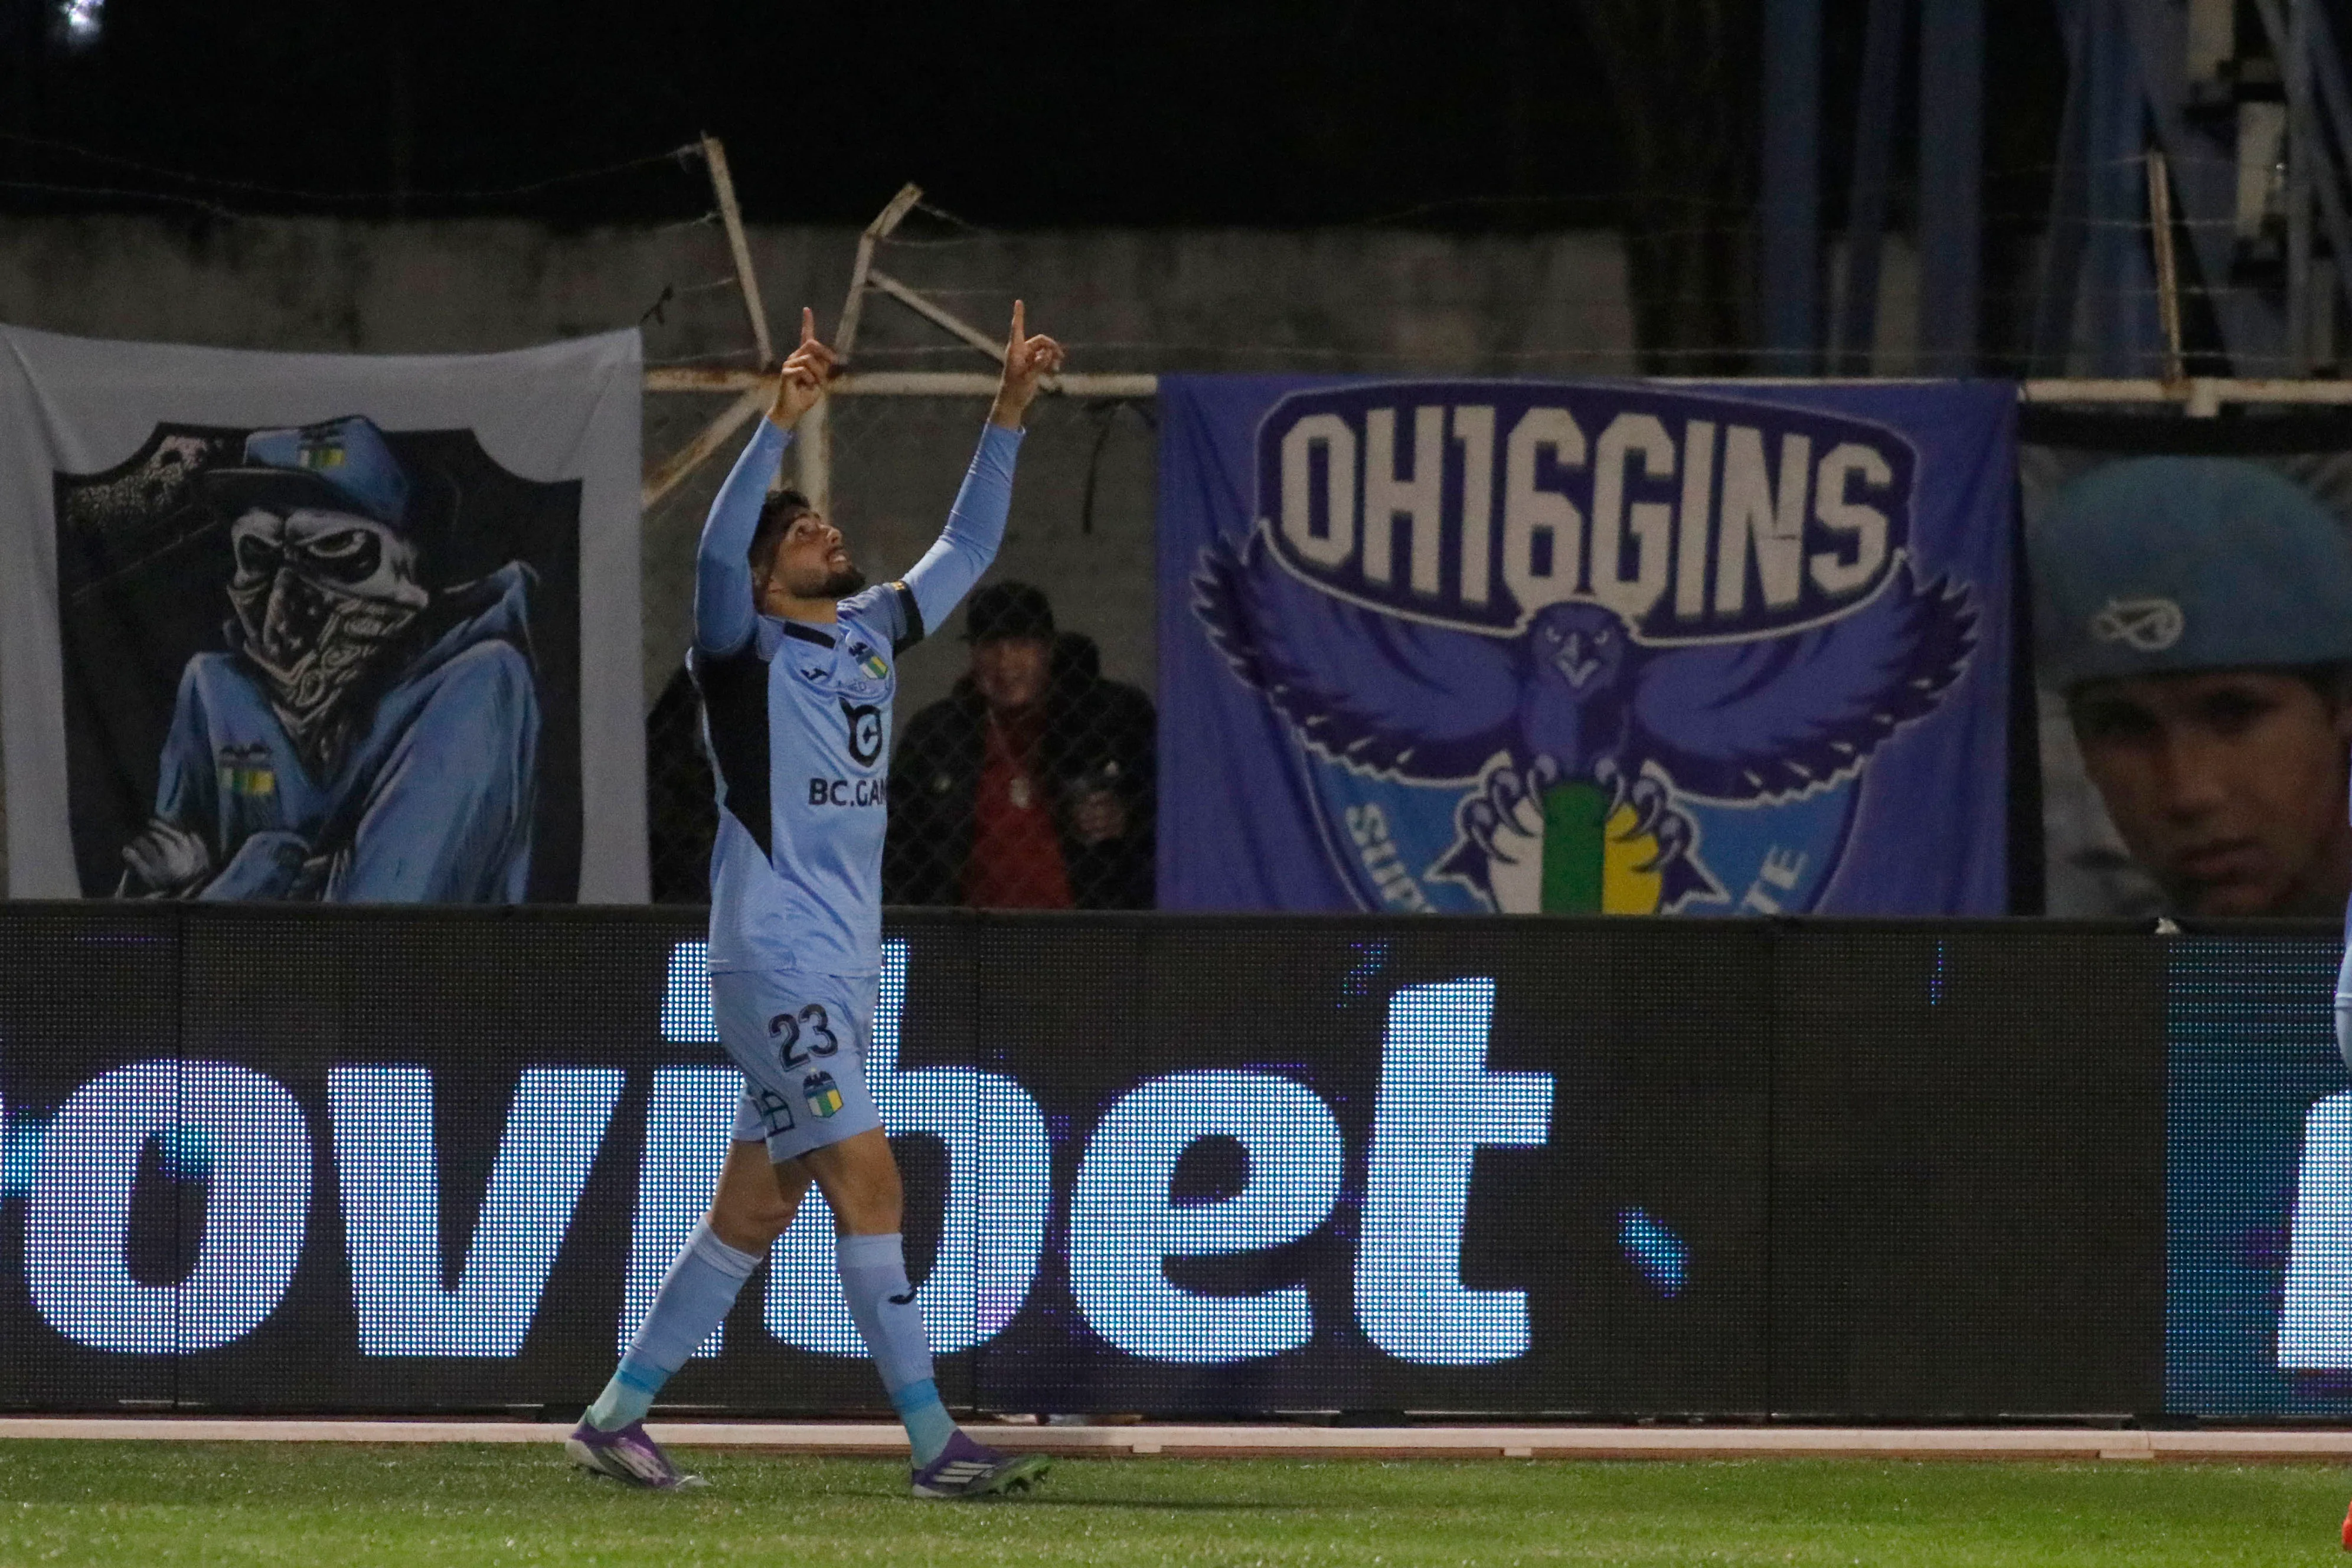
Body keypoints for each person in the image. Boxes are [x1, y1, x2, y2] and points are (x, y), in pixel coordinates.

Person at [567, 304, 1064, 1499]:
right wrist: (777, 423)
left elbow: (966, 546)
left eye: (819, 521)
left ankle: (615, 1416)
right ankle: (936, 1445)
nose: (824, 529)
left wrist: (1007, 411)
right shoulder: (738, 651)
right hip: (774, 953)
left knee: (757, 1207)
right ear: (762, 575)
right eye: (799, 530)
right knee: (870, 1179)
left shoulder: (871, 627)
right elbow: (709, 555)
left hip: (842, 961)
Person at [119, 415, 538, 901]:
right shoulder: (217, 692)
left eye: (336, 548)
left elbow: (380, 923)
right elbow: (139, 907)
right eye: (258, 553)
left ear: (411, 568)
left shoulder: (477, 685)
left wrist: (253, 868)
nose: (283, 597)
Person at [2034, 455, 2352, 920]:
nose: (2188, 793)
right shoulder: (2074, 955)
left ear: (2343, 704)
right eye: (2124, 727)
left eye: (2233, 713)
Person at [886, 583, 1155, 909]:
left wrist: (1126, 817)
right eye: (991, 646)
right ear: (973, 655)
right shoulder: (936, 735)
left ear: (1049, 650)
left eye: (1021, 645)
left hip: (1086, 930)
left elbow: (1174, 811)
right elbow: (898, 845)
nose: (1006, 662)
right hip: (970, 932)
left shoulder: (1108, 722)